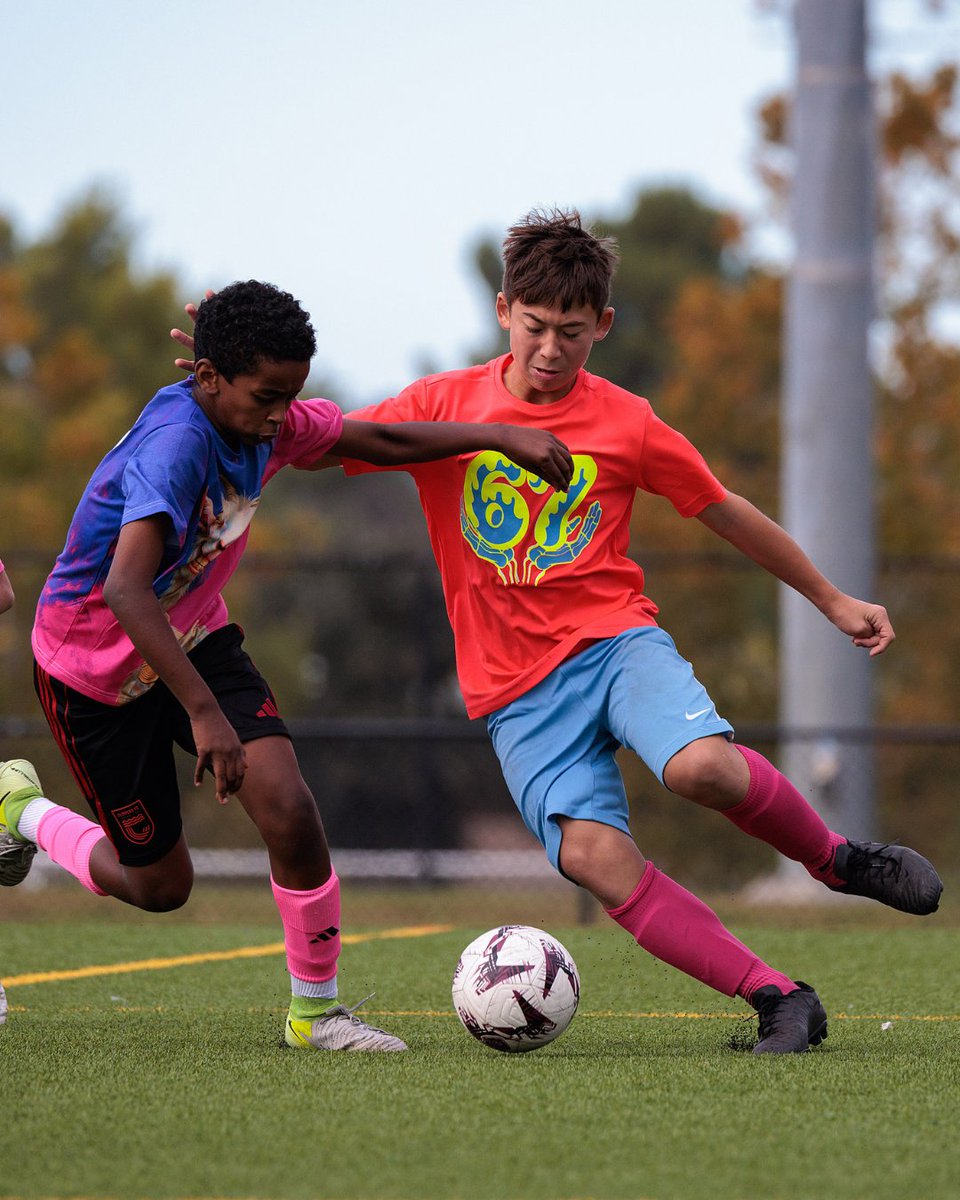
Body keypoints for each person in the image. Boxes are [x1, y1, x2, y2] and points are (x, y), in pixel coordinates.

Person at [171, 215, 943, 1056]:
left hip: (615, 644)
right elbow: (319, 443)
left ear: (601, 327)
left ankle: (835, 859)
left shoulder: (627, 421)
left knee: (704, 767)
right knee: (595, 860)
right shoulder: (442, 404)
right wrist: (226, 368)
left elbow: (724, 510)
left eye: (571, 333)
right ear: (504, 310)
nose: (549, 349)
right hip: (517, 693)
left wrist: (831, 599)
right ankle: (779, 998)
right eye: (534, 327)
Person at [0, 279, 574, 1054]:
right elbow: (126, 590)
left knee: (291, 808)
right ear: (207, 380)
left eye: (291, 397)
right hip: (94, 673)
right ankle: (18, 812)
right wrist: (205, 713)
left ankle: (317, 1016)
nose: (279, 416)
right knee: (161, 888)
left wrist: (496, 438)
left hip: (195, 637)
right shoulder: (174, 448)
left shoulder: (264, 422)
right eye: (266, 396)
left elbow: (381, 441)